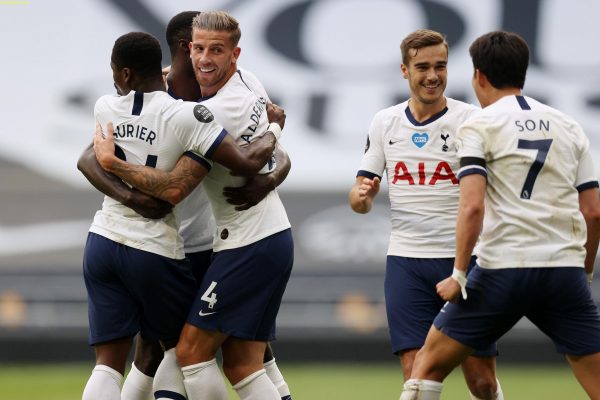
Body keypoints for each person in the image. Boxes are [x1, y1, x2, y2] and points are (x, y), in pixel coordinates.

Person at [77, 11, 292, 400]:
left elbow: (179, 186)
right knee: (192, 354)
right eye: (200, 48)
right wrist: (132, 195)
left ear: (233, 54)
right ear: (186, 48)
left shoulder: (217, 102)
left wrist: (271, 177)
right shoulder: (171, 96)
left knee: (195, 352)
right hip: (185, 244)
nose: (206, 58)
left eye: (216, 50)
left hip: (212, 242)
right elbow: (89, 158)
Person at [400, 31, 600, 400]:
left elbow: (472, 206)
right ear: (523, 72)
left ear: (479, 76)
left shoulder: (479, 125)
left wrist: (459, 274)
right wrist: (583, 274)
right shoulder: (569, 126)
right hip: (562, 270)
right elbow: (593, 212)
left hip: (503, 270)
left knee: (426, 367)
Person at [348, 29, 503, 399]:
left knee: (481, 380)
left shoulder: (472, 120)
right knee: (415, 375)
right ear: (405, 70)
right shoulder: (385, 122)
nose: (433, 75)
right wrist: (363, 197)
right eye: (423, 67)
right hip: (407, 261)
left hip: (465, 260)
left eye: (440, 66)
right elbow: (358, 196)